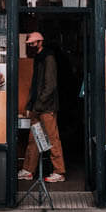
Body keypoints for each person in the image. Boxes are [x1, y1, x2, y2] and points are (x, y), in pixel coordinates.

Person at [18, 32, 66, 184]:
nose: (30, 46)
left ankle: (59, 171)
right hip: (38, 107)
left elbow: (50, 85)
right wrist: (31, 105)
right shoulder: (39, 57)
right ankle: (28, 170)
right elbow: (36, 85)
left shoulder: (48, 57)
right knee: (33, 139)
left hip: (46, 108)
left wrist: (38, 104)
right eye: (29, 44)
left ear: (40, 42)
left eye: (33, 43)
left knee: (52, 139)